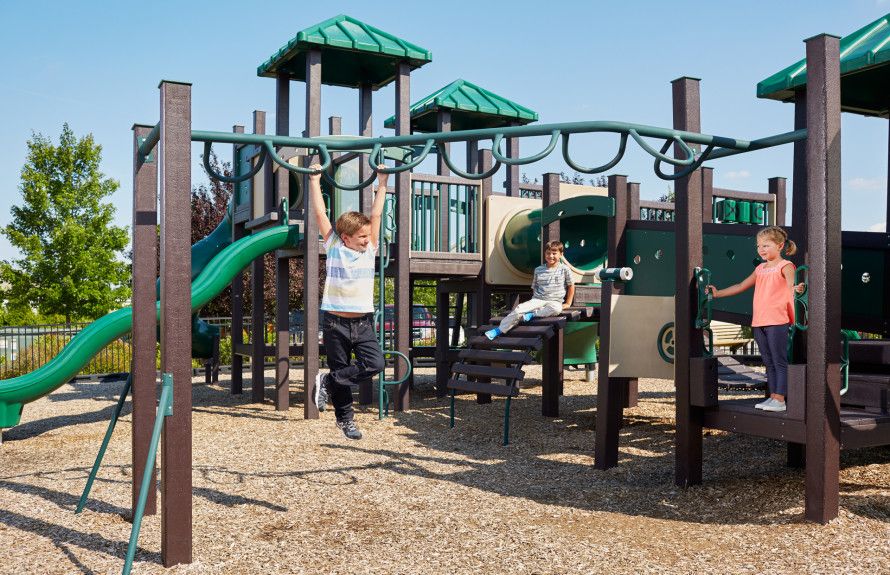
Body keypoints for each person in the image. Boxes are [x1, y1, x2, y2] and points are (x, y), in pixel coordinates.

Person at [310, 163, 388, 440]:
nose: (368, 241)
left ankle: (328, 382)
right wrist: (315, 180)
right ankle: (346, 421)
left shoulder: (370, 251)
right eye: (362, 237)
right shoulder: (333, 247)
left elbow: (376, 213)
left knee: (376, 364)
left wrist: (382, 181)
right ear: (346, 238)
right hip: (335, 323)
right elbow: (320, 213)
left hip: (363, 323)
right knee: (341, 368)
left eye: (369, 236)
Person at [706, 226, 805, 413]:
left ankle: (780, 398)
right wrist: (717, 293)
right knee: (767, 361)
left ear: (780, 245)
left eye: (766, 245)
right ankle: (773, 396)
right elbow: (741, 285)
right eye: (759, 246)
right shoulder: (760, 268)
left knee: (779, 361)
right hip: (759, 321)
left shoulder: (785, 266)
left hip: (777, 320)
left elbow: (791, 283)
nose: (761, 249)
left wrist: (795, 288)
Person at [485, 240, 575, 340]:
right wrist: (533, 303)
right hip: (538, 299)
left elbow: (571, 285)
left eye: (554, 253)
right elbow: (535, 287)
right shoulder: (538, 269)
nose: (551, 256)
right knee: (519, 309)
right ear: (545, 254)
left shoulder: (564, 269)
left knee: (557, 309)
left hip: (555, 301)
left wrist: (568, 303)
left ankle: (533, 314)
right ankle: (499, 330)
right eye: (548, 253)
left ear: (561, 254)